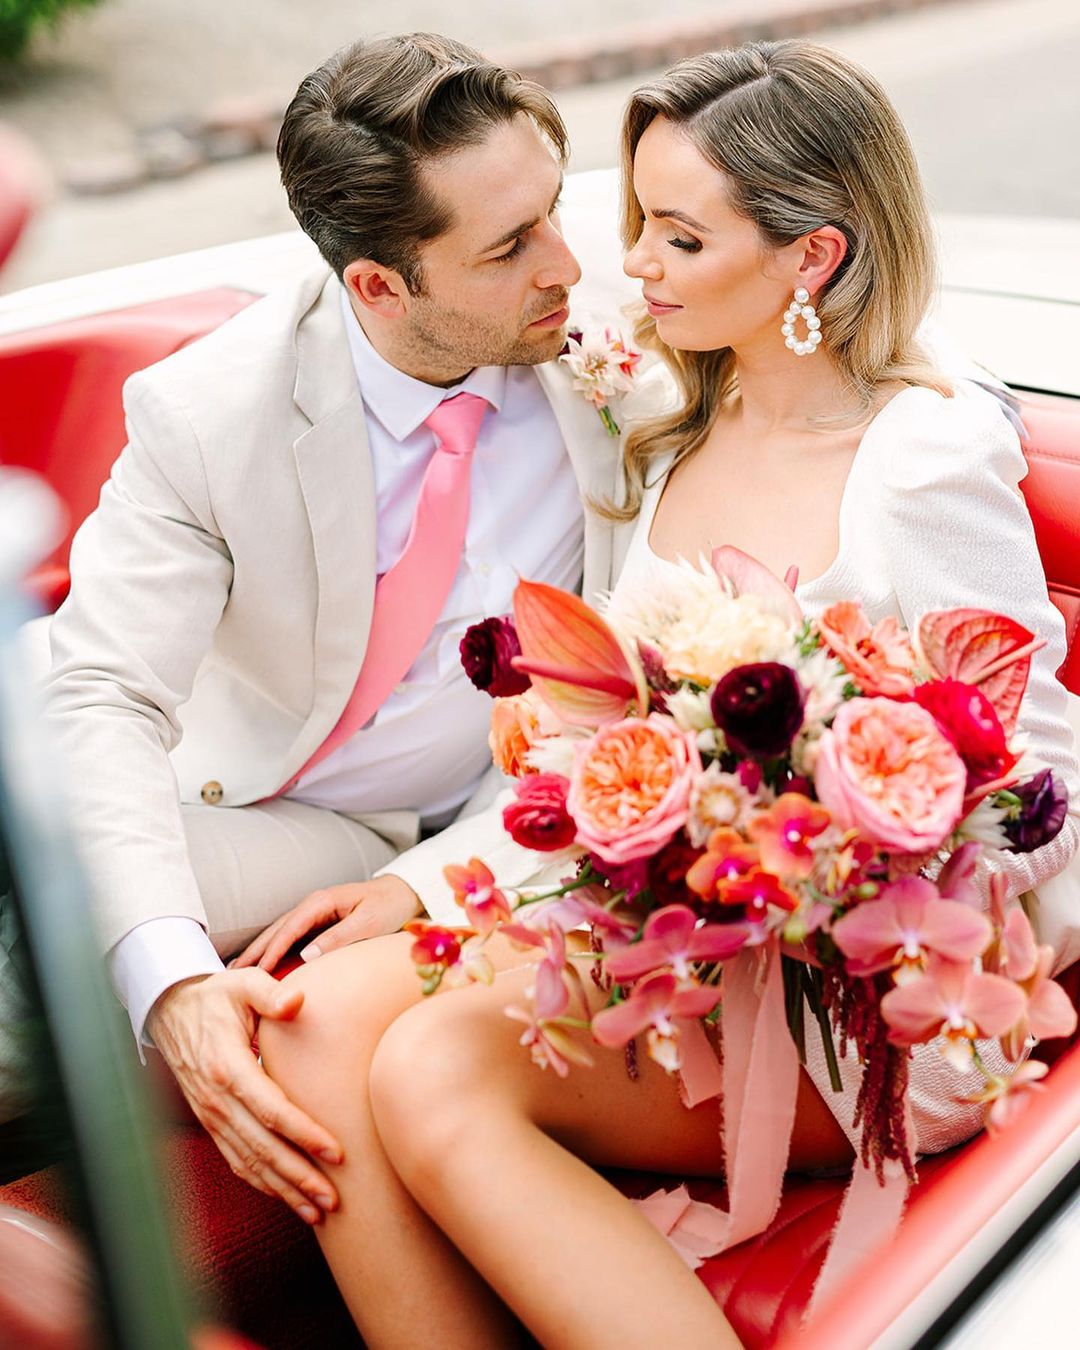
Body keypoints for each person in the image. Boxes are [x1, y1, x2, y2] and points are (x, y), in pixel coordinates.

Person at [258, 39, 1080, 1348]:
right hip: (667, 934)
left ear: (811, 258)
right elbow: (596, 756)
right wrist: (413, 890)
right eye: (638, 216)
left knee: (432, 1064)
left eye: (680, 238)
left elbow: (1042, 789)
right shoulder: (663, 420)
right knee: (304, 1021)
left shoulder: (918, 453)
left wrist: (827, 844)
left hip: (864, 991)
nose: (627, 262)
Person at [38, 33, 643, 1228]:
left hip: (435, 833)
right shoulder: (208, 413)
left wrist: (433, 883)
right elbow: (101, 696)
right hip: (228, 797)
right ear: (378, 285)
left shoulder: (627, 340)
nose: (568, 266)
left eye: (555, 211)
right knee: (38, 911)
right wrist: (171, 991)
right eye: (508, 247)